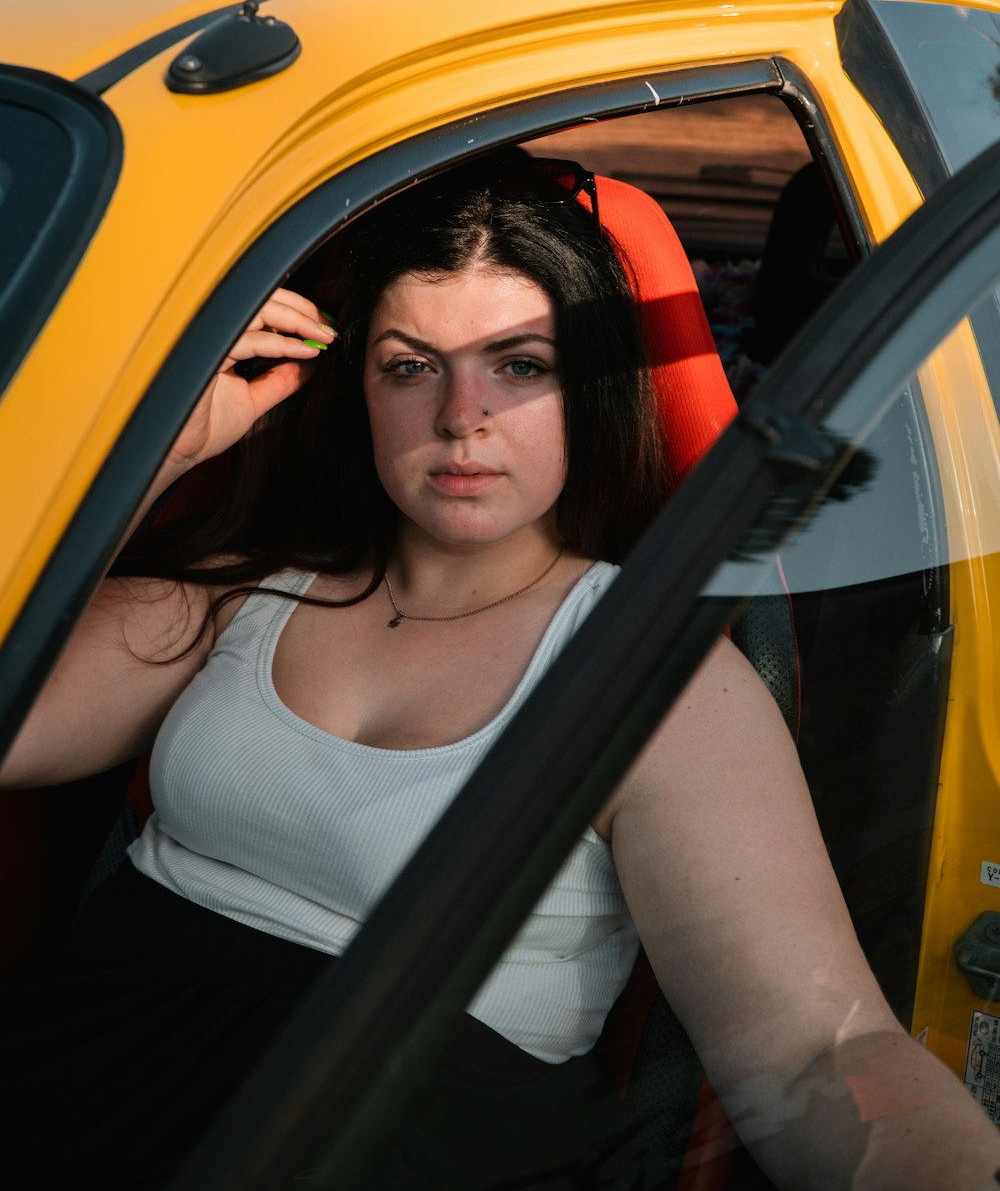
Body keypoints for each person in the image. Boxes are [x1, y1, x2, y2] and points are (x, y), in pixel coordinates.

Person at [1, 153, 998, 1191]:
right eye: (410, 364)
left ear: (590, 389)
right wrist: (145, 455)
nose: (460, 416)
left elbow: (816, 1050)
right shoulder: (242, 585)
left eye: (519, 365)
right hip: (61, 1084)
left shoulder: (650, 673)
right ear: (359, 390)